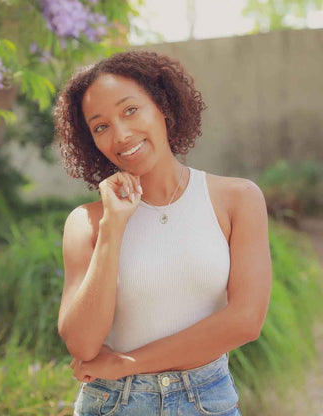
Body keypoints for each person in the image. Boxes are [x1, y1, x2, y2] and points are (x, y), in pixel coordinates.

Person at [54, 50, 272, 416]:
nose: (121, 135)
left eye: (130, 110)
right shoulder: (87, 223)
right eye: (101, 126)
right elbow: (82, 344)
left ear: (163, 107)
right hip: (113, 404)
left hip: (208, 401)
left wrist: (129, 363)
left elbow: (246, 321)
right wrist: (113, 227)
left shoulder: (238, 199)